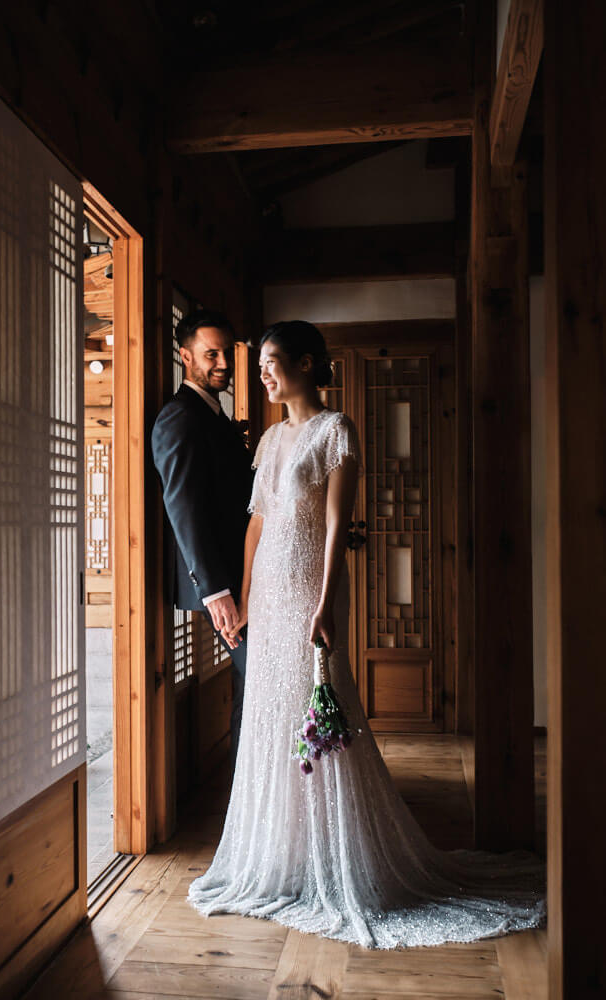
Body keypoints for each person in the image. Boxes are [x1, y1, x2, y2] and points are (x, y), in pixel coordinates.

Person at [187, 319, 545, 950]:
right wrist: (243, 599)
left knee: (318, 710)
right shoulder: (270, 438)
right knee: (269, 714)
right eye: (261, 363)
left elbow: (334, 526)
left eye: (273, 362)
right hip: (267, 591)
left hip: (308, 589)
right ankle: (281, 856)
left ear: (305, 364)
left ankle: (338, 858)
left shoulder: (336, 430)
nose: (263, 373)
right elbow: (255, 525)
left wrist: (324, 604)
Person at [151, 309, 253, 770]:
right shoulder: (180, 418)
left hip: (246, 576)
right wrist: (216, 592)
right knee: (257, 683)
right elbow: (184, 510)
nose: (222, 363)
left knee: (253, 687)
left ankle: (250, 806)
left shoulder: (216, 415)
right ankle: (248, 810)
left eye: (226, 352)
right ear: (185, 356)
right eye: (211, 353)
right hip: (223, 585)